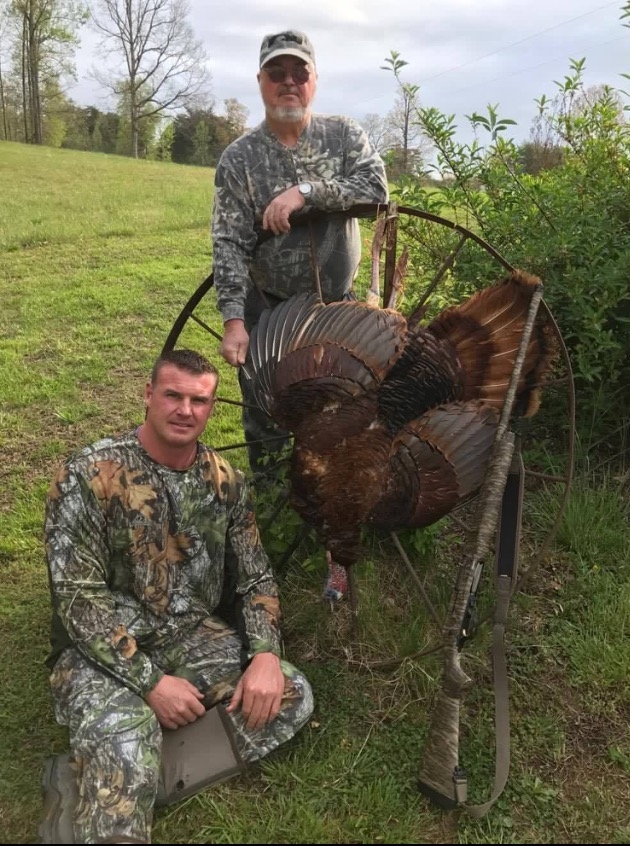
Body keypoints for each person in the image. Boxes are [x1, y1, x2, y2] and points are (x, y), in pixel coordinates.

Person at [40, 348, 314, 845]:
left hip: (191, 636)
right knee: (129, 733)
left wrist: (267, 654)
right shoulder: (88, 475)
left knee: (289, 695)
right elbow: (77, 599)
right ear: (148, 396)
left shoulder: (227, 482)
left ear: (211, 407)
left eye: (199, 400)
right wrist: (150, 684)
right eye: (173, 395)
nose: (185, 410)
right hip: (100, 650)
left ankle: (111, 772)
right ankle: (122, 757)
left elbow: (255, 578)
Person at [211, 28, 389, 473]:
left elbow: (377, 191)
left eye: (298, 72)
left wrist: (305, 192)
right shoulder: (239, 159)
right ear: (260, 81)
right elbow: (229, 242)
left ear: (314, 80)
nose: (288, 81)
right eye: (277, 73)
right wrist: (235, 322)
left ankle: (338, 498)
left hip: (338, 311)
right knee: (266, 417)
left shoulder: (344, 137)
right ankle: (272, 504)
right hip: (268, 313)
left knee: (346, 410)